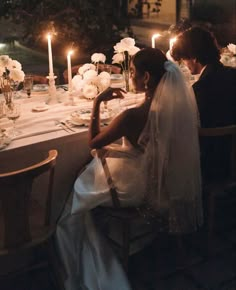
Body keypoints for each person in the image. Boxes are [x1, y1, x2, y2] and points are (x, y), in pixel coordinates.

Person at [55, 48, 203, 290]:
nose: (130, 76)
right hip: (163, 183)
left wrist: (98, 102)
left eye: (132, 72)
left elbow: (93, 142)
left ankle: (94, 255)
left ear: (146, 78)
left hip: (134, 189)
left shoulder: (131, 116)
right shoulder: (176, 109)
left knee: (79, 190)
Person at [171, 26, 236, 180]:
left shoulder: (200, 89)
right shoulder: (233, 74)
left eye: (184, 59)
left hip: (214, 163)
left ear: (193, 57)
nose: (185, 65)